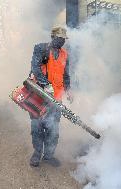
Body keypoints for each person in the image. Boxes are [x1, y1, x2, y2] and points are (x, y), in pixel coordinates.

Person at [29, 26, 73, 167]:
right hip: (39, 96)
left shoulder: (65, 54)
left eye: (63, 39)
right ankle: (37, 154)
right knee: (37, 126)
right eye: (59, 39)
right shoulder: (41, 49)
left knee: (53, 128)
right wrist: (45, 84)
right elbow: (35, 68)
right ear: (53, 37)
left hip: (56, 98)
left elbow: (65, 75)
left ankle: (49, 155)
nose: (62, 42)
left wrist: (68, 90)